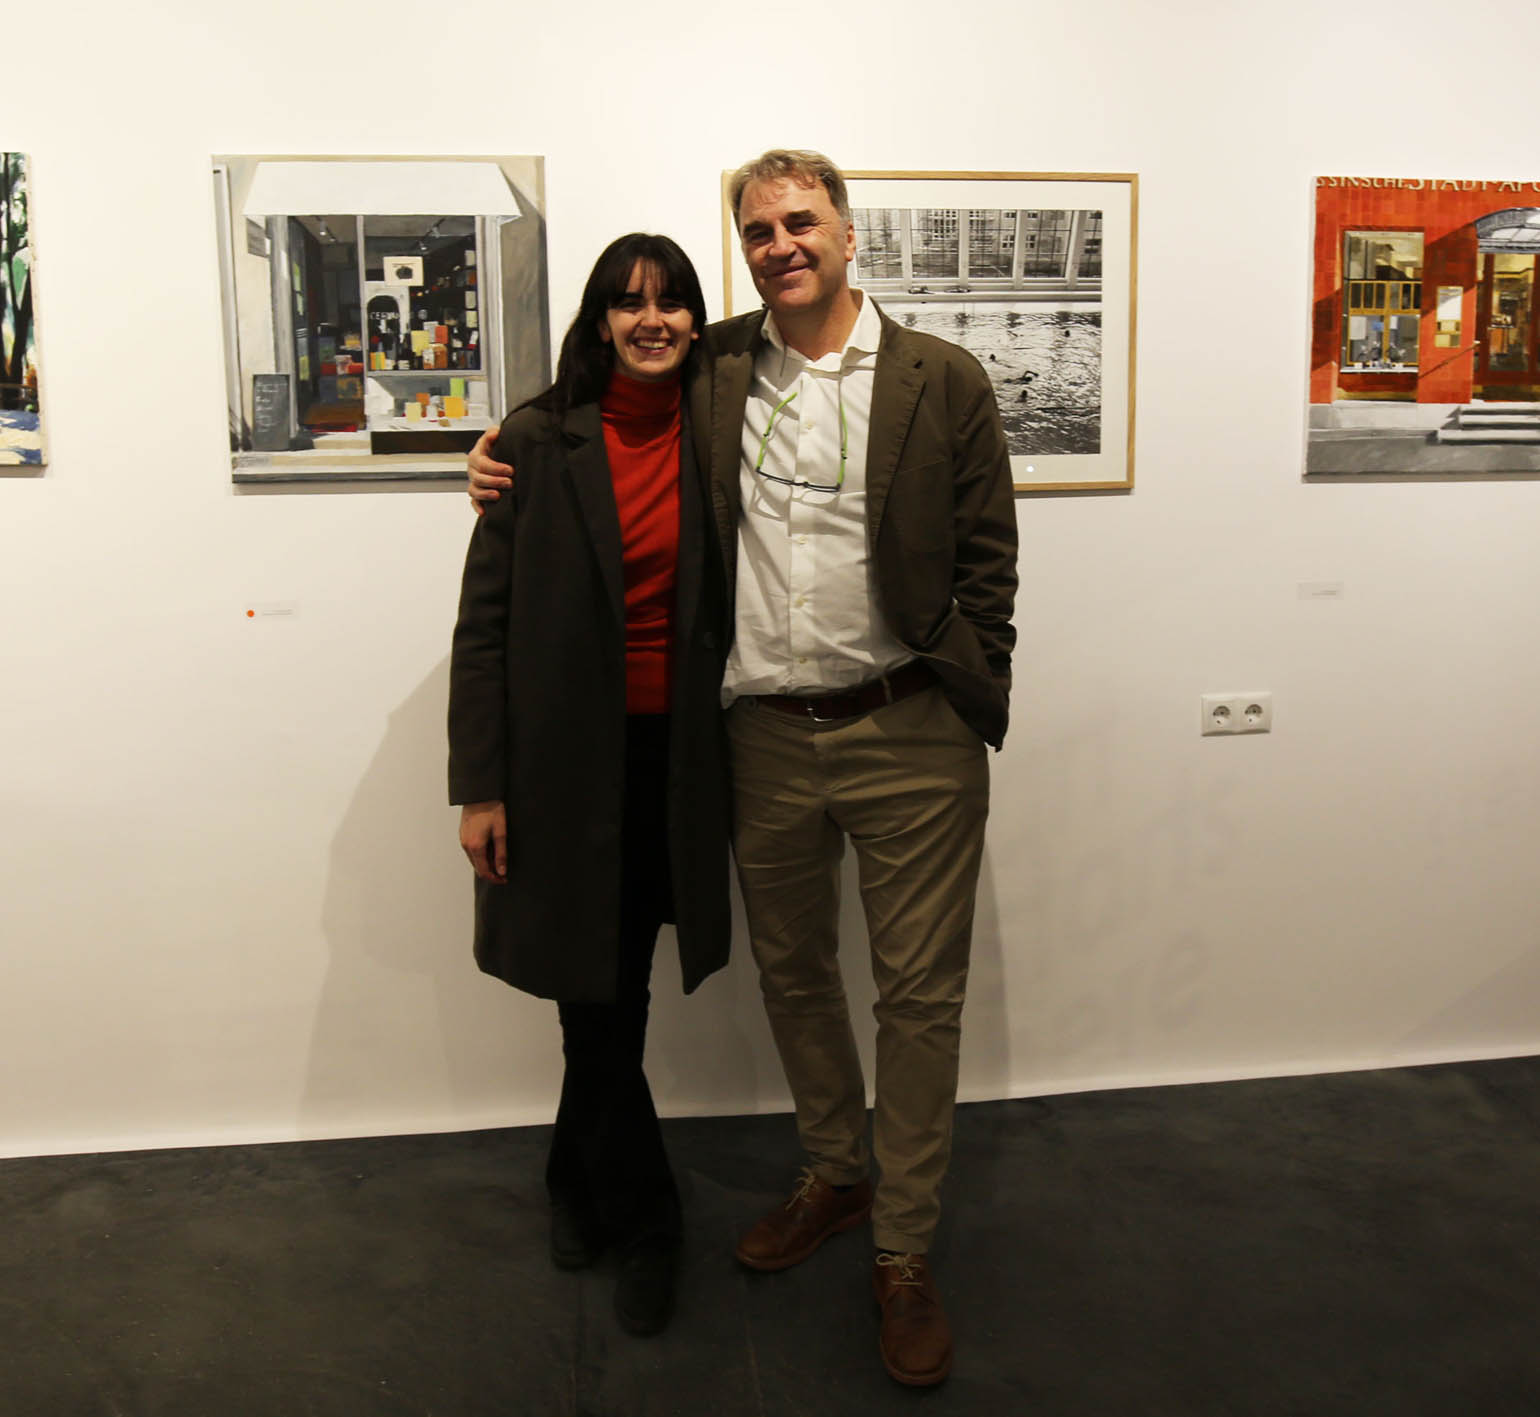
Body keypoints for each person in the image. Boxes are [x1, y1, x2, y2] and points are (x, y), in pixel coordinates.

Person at [466, 150, 1018, 1387]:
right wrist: (494, 445)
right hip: (762, 736)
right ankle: (833, 1171)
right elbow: (599, 382)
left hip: (911, 730)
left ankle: (902, 1250)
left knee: (917, 1000)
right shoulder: (720, 363)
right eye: (759, 229)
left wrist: (976, 678)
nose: (781, 244)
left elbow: (990, 556)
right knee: (794, 973)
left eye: (801, 221)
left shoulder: (940, 377)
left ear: (848, 233)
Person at [447, 232, 731, 1339]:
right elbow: (483, 629)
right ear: (599, 319)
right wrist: (480, 787)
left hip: (683, 763)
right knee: (594, 995)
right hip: (567, 768)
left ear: (697, 318)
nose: (650, 320)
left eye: (670, 302)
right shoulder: (534, 438)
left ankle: (574, 1178)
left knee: (620, 993)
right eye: (627, 301)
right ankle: (651, 1218)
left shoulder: (723, 424)